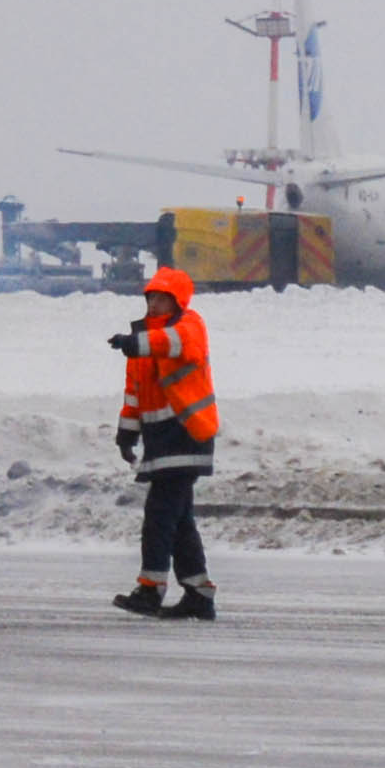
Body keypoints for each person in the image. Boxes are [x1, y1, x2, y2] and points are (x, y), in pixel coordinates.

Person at [109, 265, 220, 619]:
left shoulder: (189, 326)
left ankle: (150, 589)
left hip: (185, 436)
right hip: (162, 443)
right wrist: (127, 433)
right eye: (151, 297)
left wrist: (135, 344)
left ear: (178, 301)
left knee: (159, 517)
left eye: (162, 298)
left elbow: (172, 342)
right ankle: (198, 593)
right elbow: (134, 394)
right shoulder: (142, 339)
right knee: (179, 520)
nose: (154, 304)